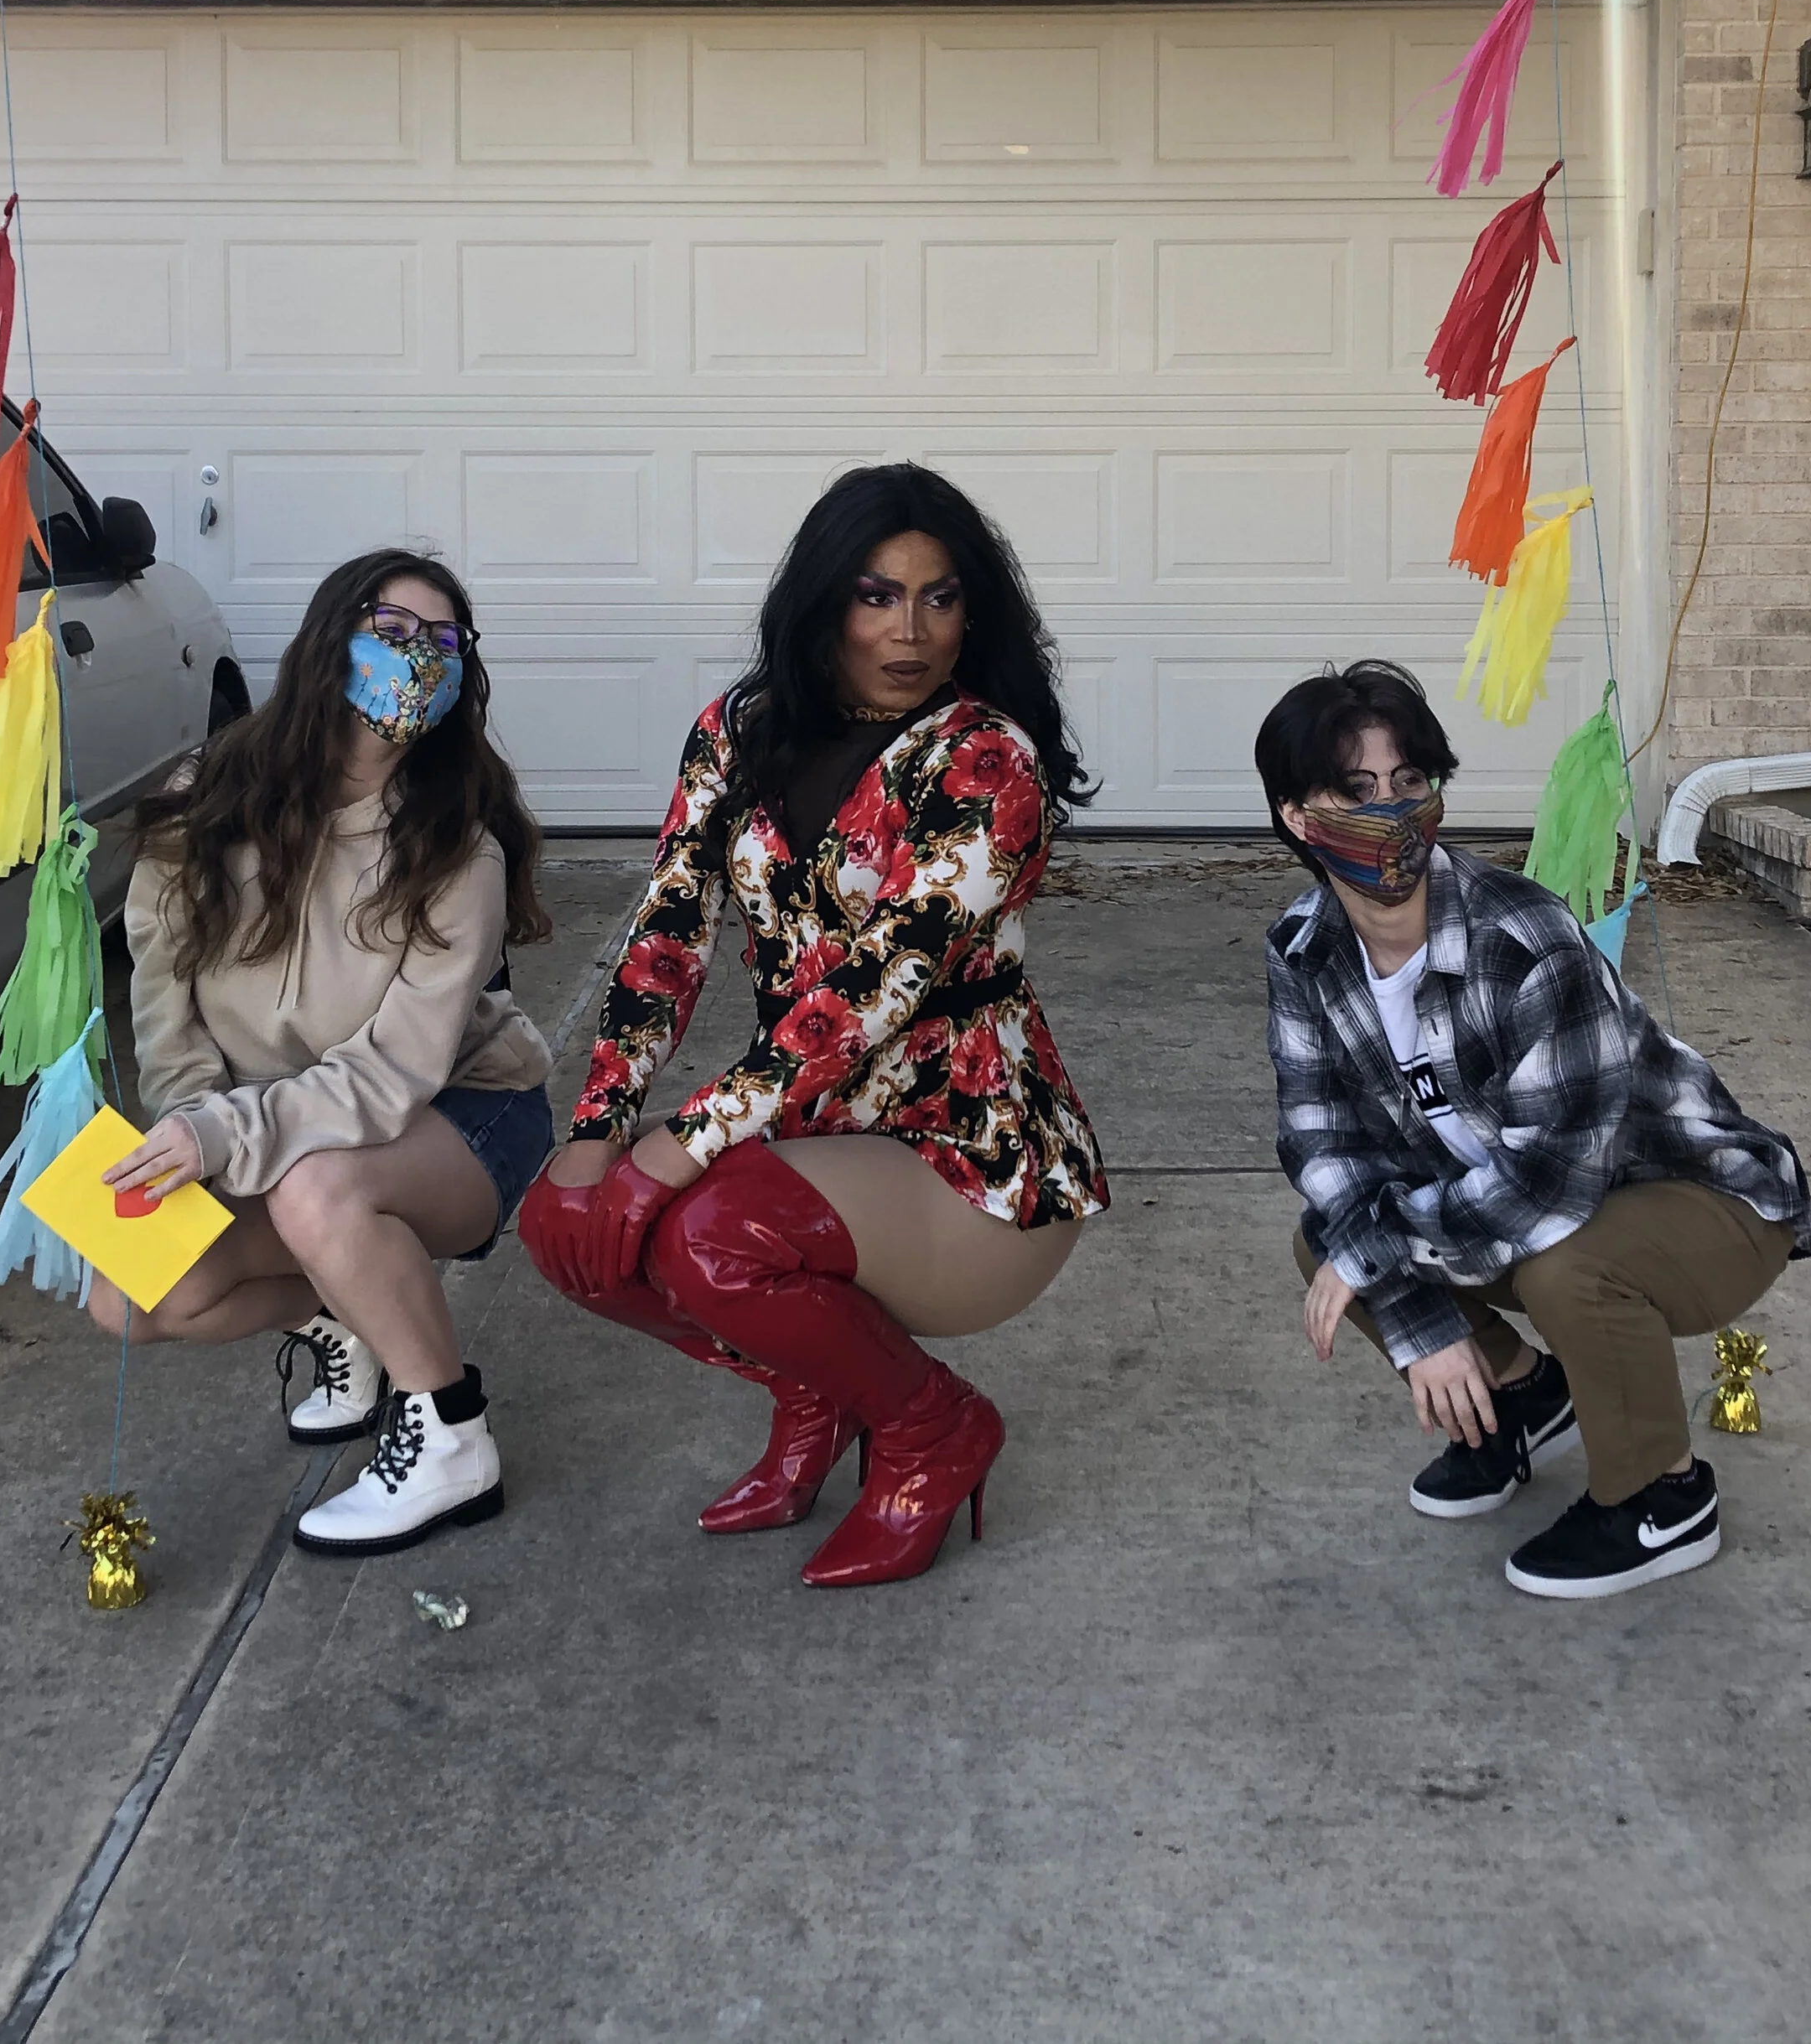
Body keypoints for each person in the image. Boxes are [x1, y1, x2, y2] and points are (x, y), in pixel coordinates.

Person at [521, 462, 1107, 1589]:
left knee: (706, 1233)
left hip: (972, 1155)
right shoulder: (737, 730)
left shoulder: (988, 760)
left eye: (940, 597)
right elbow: (667, 934)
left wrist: (682, 1143)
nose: (911, 630)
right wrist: (606, 1118)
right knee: (565, 1216)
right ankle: (818, 1385)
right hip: (818, 1130)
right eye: (876, 594)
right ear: (824, 600)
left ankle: (933, 1425)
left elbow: (869, 997)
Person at [1257, 658, 1811, 1600]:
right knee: (1325, 1242)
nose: (1392, 814)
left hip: (1697, 1202)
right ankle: (1518, 1398)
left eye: (1409, 784)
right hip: (1527, 1205)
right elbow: (1321, 1142)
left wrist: (1383, 1250)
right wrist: (1416, 1316)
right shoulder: (1304, 948)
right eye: (1354, 793)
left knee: (1562, 1264)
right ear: (1296, 819)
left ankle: (1661, 1499)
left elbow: (1551, 1181)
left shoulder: (1523, 937)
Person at [87, 549, 555, 1558]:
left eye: (442, 646)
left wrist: (228, 1138)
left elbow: (393, 1075)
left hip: (463, 1111)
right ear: (327, 640)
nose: (416, 663)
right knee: (126, 1296)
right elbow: (166, 1011)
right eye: (392, 634)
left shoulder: (454, 850)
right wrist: (192, 1126)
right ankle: (352, 1309)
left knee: (316, 1196)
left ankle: (449, 1438)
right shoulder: (203, 802)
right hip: (275, 1126)